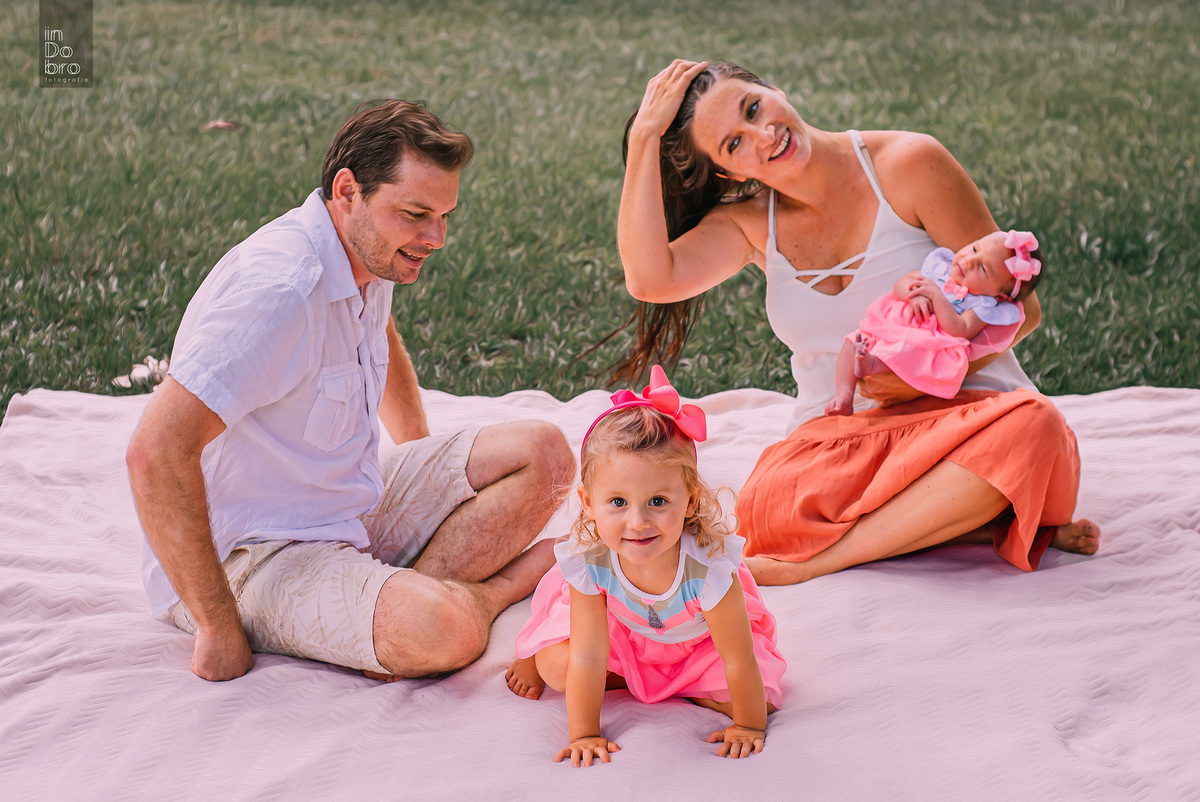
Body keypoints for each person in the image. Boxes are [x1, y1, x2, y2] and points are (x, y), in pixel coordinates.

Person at [125, 100, 575, 683]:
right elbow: (155, 451)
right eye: (416, 213)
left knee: (546, 454)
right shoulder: (281, 292)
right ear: (347, 191)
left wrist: (424, 465)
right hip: (251, 556)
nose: (436, 237)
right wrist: (216, 626)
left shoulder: (366, 254)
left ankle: (407, 600)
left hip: (344, 509)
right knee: (443, 630)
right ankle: (487, 595)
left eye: (444, 215)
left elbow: (378, 335)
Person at [615, 59, 1099, 586]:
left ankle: (824, 559)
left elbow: (1023, 310)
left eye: (754, 108)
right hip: (842, 440)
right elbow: (650, 279)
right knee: (763, 507)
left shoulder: (910, 163)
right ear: (729, 172)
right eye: (734, 144)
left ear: (774, 88)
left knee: (1035, 429)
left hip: (963, 419)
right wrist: (644, 138)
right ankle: (968, 522)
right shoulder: (750, 224)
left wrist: (918, 380)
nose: (764, 135)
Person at [504, 366, 786, 766]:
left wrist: (749, 726)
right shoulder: (592, 563)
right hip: (622, 634)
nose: (637, 522)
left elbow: (737, 656)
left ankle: (658, 683)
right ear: (589, 503)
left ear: (690, 500)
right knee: (558, 668)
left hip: (695, 647)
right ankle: (577, 663)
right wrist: (585, 735)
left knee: (760, 697)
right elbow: (588, 654)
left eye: (658, 501)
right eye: (618, 502)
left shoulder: (707, 571)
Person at [826, 230, 1043, 416]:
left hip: (926, 341)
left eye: (983, 269)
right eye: (975, 249)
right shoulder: (940, 268)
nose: (969, 261)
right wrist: (913, 295)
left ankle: (873, 363)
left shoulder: (983, 305)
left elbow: (960, 329)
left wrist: (936, 297)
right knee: (852, 341)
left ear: (1000, 296)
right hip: (891, 324)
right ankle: (844, 395)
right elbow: (902, 283)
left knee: (909, 352)